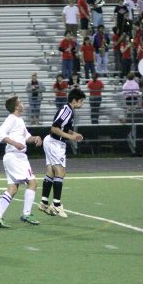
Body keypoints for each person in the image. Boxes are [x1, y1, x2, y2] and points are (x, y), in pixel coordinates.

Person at [0, 95, 42, 228]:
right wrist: (15, 143)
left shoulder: (19, 120)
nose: (23, 104)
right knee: (33, 183)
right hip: (15, 156)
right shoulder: (12, 119)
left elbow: (27, 137)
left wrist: (36, 138)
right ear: (16, 107)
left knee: (13, 188)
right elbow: (0, 134)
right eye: (21, 102)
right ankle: (26, 214)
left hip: (12, 157)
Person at [39, 87, 85, 218]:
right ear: (75, 101)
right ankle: (57, 206)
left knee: (51, 172)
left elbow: (65, 129)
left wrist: (74, 134)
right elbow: (54, 128)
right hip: (55, 143)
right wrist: (70, 137)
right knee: (60, 172)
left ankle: (44, 202)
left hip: (53, 142)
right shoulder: (66, 110)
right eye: (81, 101)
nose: (82, 104)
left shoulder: (69, 110)